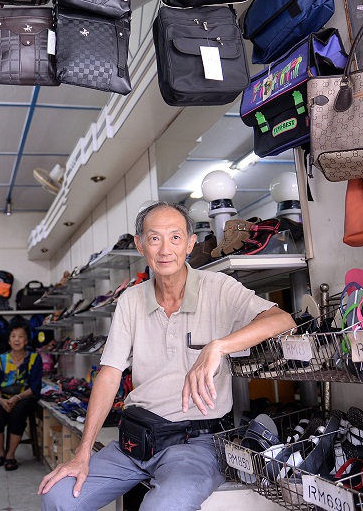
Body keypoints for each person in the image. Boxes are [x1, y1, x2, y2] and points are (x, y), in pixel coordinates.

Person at [38, 201, 295, 510]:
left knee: (161, 507)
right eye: (154, 237)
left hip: (196, 443)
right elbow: (109, 374)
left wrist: (219, 346)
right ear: (140, 244)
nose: (164, 249)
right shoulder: (131, 300)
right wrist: (82, 453)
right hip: (134, 440)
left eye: (175, 237)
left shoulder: (219, 288)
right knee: (58, 497)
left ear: (189, 243)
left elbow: (282, 319)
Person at [0, 321, 43, 471]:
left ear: (26, 340)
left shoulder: (34, 358)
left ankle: (10, 455)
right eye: (13, 336)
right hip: (3, 397)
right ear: (9, 339)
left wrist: (17, 398)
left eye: (21, 336)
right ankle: (1, 453)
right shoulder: (0, 359)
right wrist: (1, 400)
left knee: (18, 414)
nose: (17, 340)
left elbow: (35, 386)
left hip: (25, 397)